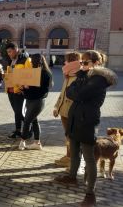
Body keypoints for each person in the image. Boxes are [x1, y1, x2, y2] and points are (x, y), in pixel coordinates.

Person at [54, 50, 118, 207]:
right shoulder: (83, 76)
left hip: (87, 121)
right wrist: (77, 87)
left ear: (96, 63)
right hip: (75, 118)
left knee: (89, 157)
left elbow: (79, 94)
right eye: (81, 63)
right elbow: (70, 91)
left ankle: (90, 193)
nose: (82, 65)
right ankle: (72, 176)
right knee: (74, 151)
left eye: (85, 63)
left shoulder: (99, 79)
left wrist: (76, 90)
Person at [18, 54, 53, 150]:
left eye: (34, 62)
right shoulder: (34, 72)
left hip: (38, 101)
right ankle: (37, 143)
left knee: (27, 121)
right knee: (34, 120)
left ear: (40, 62)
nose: (33, 63)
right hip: (30, 99)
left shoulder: (46, 74)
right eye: (32, 62)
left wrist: (27, 88)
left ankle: (22, 141)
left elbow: (42, 91)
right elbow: (30, 88)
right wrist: (24, 88)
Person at [53, 52, 81, 167]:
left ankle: (71, 159)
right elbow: (62, 93)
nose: (65, 63)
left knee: (72, 136)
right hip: (64, 110)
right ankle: (68, 156)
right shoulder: (68, 74)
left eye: (67, 61)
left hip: (72, 111)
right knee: (68, 135)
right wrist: (56, 106)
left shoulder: (78, 76)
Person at [5, 42, 32, 138]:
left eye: (10, 51)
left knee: (19, 112)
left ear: (16, 49)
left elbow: (29, 75)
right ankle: (18, 130)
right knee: (16, 112)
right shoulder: (10, 60)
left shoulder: (25, 59)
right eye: (7, 52)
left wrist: (25, 87)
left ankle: (29, 129)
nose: (9, 54)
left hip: (20, 91)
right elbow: (10, 73)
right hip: (10, 89)